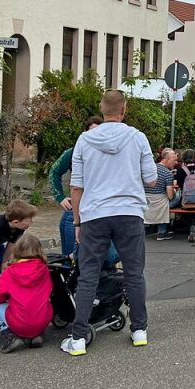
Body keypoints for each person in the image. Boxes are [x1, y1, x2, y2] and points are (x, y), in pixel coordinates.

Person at [63, 89, 157, 356]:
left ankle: (78, 337)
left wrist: (78, 222)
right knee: (134, 273)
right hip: (129, 212)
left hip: (94, 214)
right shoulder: (138, 138)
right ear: (124, 110)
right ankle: (139, 330)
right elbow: (151, 179)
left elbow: (76, 186)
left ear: (102, 110)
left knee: (88, 274)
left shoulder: (84, 140)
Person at [0, 233, 52, 353]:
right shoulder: (44, 269)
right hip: (42, 320)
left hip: (20, 322)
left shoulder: (10, 271)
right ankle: (37, 335)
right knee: (42, 301)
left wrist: (6, 298)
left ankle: (10, 335)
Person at [50, 116, 103, 257]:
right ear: (85, 133)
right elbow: (54, 171)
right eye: (92, 131)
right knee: (70, 258)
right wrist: (60, 197)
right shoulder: (74, 152)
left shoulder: (109, 152)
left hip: (102, 211)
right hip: (75, 211)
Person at [0, 199, 38, 280]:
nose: (32, 222)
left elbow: (12, 244)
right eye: (29, 220)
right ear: (16, 222)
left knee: (5, 262)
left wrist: (5, 261)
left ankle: (3, 284)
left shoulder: (20, 227)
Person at [145, 148, 177, 240]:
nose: (175, 162)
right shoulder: (167, 173)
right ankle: (162, 232)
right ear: (167, 159)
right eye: (173, 160)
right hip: (160, 204)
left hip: (146, 203)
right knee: (176, 197)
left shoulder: (150, 170)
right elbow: (170, 196)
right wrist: (175, 193)